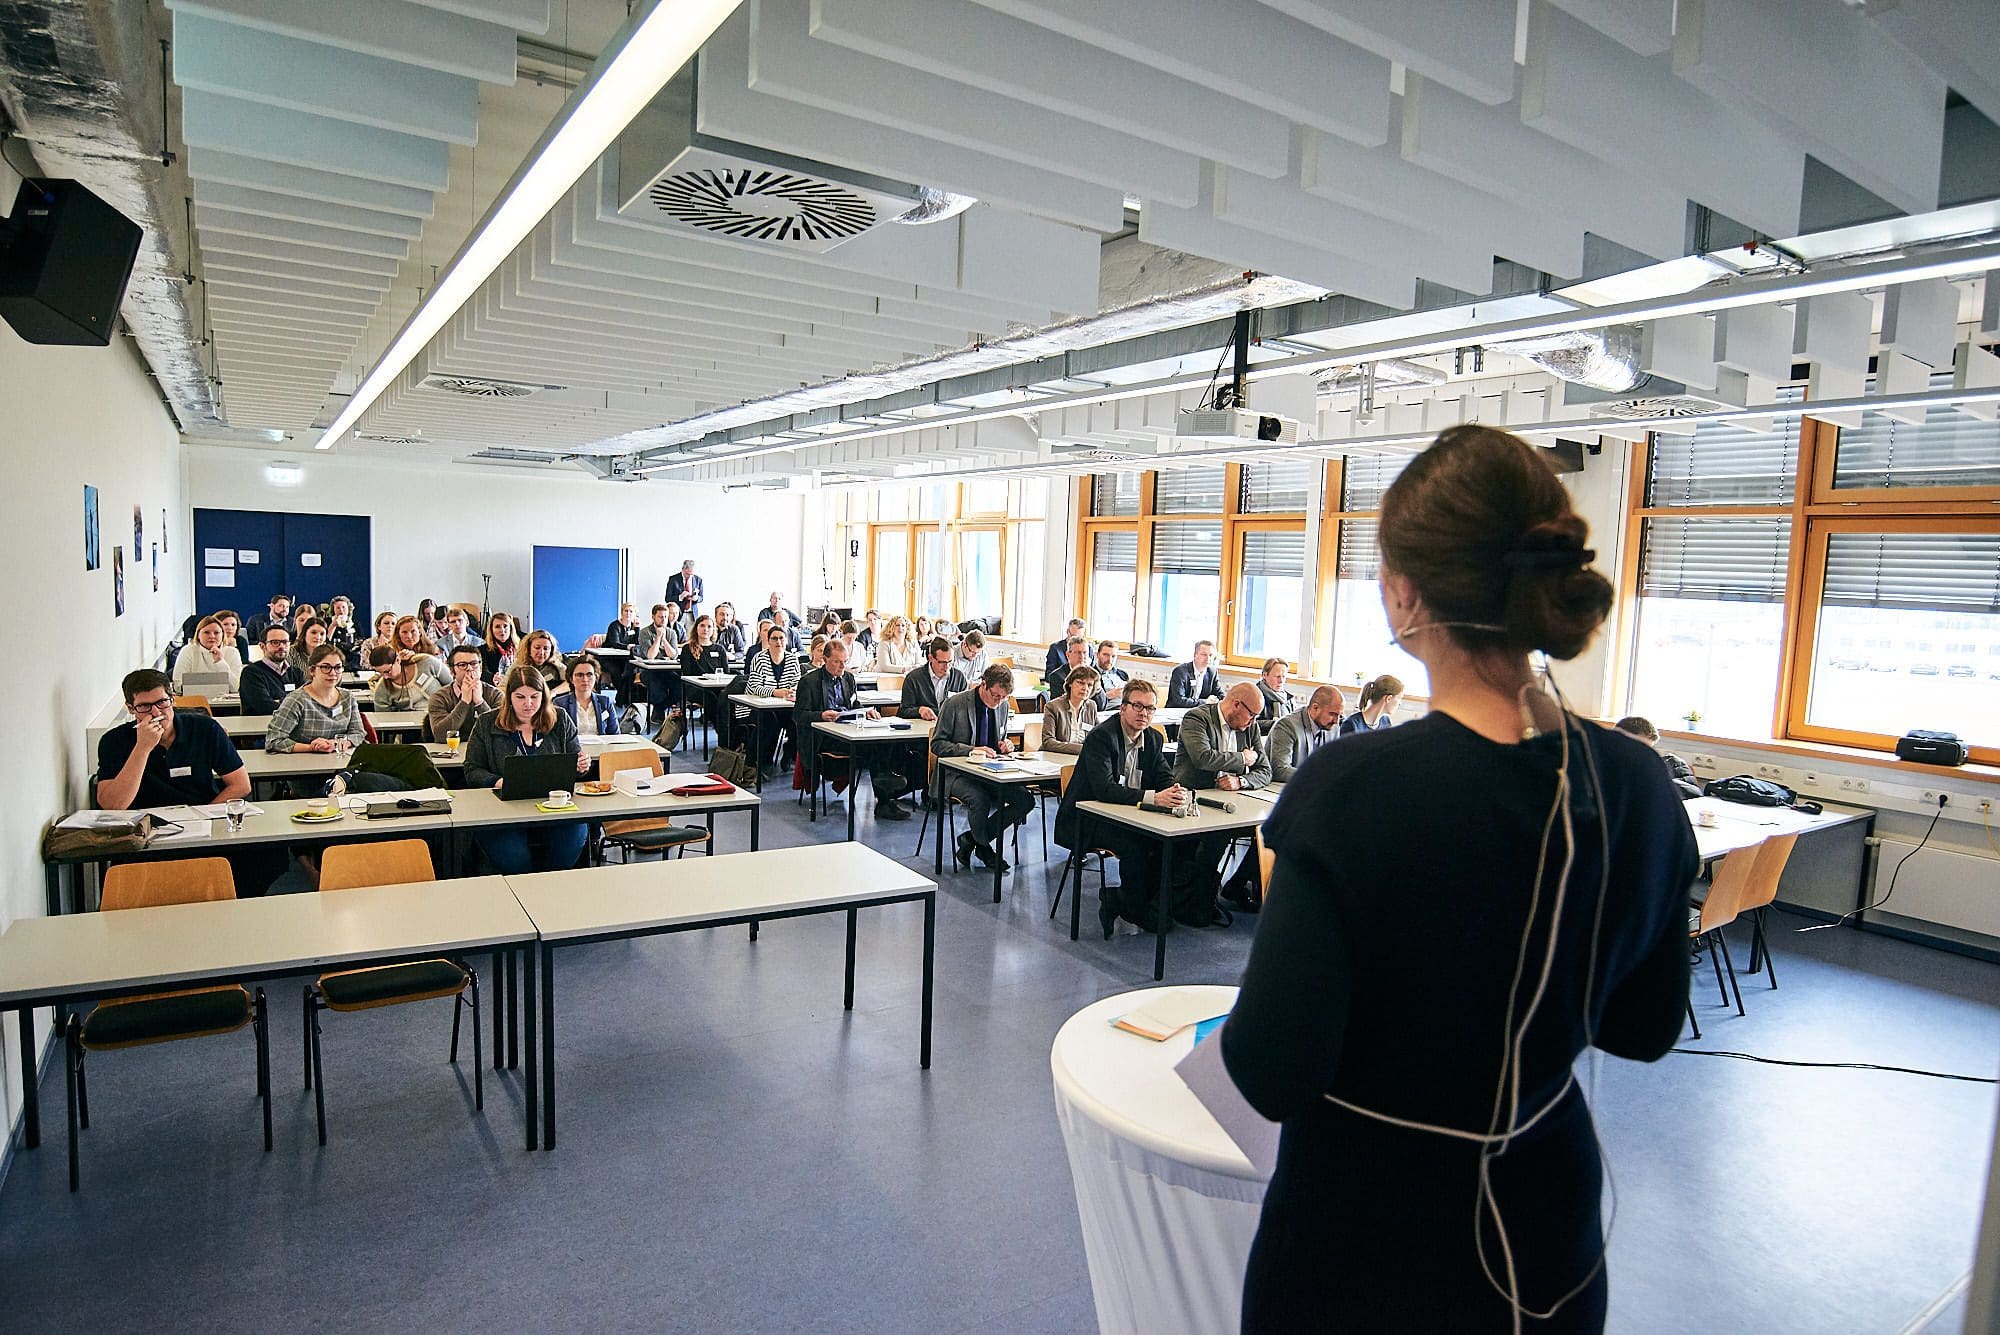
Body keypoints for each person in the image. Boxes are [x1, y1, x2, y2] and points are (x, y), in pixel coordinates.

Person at [1219, 423, 1695, 1333]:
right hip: (1545, 1239)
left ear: (1403, 595)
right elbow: (1644, 1025)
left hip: (1366, 1244)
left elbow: (1271, 1070)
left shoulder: (1352, 789)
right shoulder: (1633, 782)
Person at [1053, 679, 1189, 936]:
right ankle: (1134, 907)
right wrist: (1153, 798)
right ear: (1123, 708)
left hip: (1130, 814)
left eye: (1150, 708)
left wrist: (1173, 790)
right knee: (1135, 844)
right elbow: (1104, 789)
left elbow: (1163, 775)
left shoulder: (1153, 738)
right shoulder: (1102, 737)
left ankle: (1129, 899)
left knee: (1170, 842)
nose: (1144, 713)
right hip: (1088, 819)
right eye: (1137, 706)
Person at [463, 666, 590, 874]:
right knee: (515, 857)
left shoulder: (560, 719)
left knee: (572, 838)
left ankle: (550, 883)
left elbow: (576, 763)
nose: (528, 704)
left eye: (534, 697)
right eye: (520, 697)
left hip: (554, 807)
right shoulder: (487, 723)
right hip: (504, 811)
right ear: (509, 697)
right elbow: (472, 770)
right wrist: (499, 781)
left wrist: (581, 765)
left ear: (543, 696)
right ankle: (525, 886)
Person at [1170, 682, 1272, 924]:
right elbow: (1202, 758)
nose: (1254, 721)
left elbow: (1265, 770)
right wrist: (1242, 759)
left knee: (1269, 831)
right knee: (1215, 839)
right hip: (1194, 800)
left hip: (1232, 802)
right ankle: (1195, 899)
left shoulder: (1249, 727)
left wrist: (1241, 781)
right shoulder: (1197, 718)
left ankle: (1232, 886)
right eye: (1252, 714)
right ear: (1236, 704)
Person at [796, 637, 915, 821]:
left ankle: (885, 785)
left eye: (844, 661)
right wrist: (820, 715)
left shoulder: (848, 678)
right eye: (837, 662)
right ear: (825, 660)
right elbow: (799, 715)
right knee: (871, 747)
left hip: (849, 728)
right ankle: (884, 790)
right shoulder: (809, 682)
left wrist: (866, 711)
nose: (842, 666)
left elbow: (853, 704)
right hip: (824, 738)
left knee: (884, 740)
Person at [97, 668, 251, 810]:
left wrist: (205, 815)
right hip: (144, 822)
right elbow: (112, 806)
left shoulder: (205, 728)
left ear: (173, 699)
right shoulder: (113, 741)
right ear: (131, 708)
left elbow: (241, 785)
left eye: (162, 702)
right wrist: (142, 748)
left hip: (201, 816)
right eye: (144, 706)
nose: (156, 713)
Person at [931, 664, 1031, 866]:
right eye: (996, 696)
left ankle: (972, 839)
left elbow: (999, 738)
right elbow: (938, 744)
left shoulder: (1002, 706)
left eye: (1004, 698)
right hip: (956, 773)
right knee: (980, 798)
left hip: (990, 771)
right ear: (983, 685)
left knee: (1025, 800)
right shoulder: (955, 704)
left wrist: (1006, 745)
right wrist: (971, 750)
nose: (999, 701)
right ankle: (984, 848)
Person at [265, 643, 366, 754]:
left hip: (339, 759)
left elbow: (358, 733)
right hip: (303, 761)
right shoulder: (296, 700)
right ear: (312, 671)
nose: (333, 673)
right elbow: (274, 740)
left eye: (338, 667)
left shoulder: (348, 697)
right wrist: (311, 747)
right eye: (326, 667)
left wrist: (336, 743)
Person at [740, 620, 801, 775]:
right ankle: (761, 762)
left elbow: (797, 683)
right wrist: (775, 692)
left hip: (784, 707)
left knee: (799, 720)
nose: (778, 642)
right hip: (756, 707)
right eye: (774, 638)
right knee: (769, 721)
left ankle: (789, 755)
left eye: (781, 638)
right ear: (768, 640)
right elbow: (754, 687)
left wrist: (793, 691)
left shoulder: (793, 659)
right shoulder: (759, 658)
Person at [1269, 686, 1345, 783]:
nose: (1336, 721)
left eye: (1340, 715)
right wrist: (1318, 777)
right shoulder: (1287, 726)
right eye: (1332, 714)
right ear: (1315, 708)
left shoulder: (1333, 726)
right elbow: (1280, 770)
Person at [428, 643, 502, 743]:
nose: (469, 668)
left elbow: (500, 733)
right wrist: (464, 702)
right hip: (452, 750)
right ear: (452, 671)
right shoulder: (439, 697)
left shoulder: (496, 695)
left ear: (480, 668)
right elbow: (440, 736)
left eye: (474, 664)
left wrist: (480, 702)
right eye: (462, 665)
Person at [1615, 716, 1703, 799]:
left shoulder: (1670, 764)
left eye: (1648, 750)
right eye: (1638, 749)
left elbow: (1693, 795)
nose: (1643, 755)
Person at [238, 623, 304, 715]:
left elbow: (306, 702)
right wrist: (292, 703)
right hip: (261, 723)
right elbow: (265, 706)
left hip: (293, 722)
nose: (281, 646)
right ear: (262, 646)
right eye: (275, 642)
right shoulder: (251, 673)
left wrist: (279, 701)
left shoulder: (296, 673)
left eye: (285, 642)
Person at [897, 637, 964, 721]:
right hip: (922, 726)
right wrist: (919, 711)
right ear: (930, 658)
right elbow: (903, 712)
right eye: (942, 662)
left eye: (950, 661)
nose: (947, 666)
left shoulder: (959, 678)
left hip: (950, 725)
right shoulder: (913, 678)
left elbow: (966, 708)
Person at [554, 654, 619, 740]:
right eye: (580, 675)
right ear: (571, 679)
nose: (585, 679)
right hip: (573, 747)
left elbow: (615, 734)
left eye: (589, 675)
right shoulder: (560, 704)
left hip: (601, 747)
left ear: (596, 677)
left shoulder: (605, 702)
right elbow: (556, 737)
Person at [171, 615, 243, 691]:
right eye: (206, 632)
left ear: (222, 635)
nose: (212, 636)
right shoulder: (188, 650)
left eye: (216, 633)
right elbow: (178, 685)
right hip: (194, 697)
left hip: (224, 698)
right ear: (198, 635)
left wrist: (220, 662)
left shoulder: (233, 652)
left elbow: (235, 687)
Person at [1042, 665, 1101, 755]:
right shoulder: (1053, 707)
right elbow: (1048, 742)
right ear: (1070, 684)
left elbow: (1099, 736)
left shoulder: (1091, 706)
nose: (1085, 688)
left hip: (1082, 757)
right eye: (1080, 683)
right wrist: (1082, 749)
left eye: (1089, 685)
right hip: (1057, 756)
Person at [367, 645, 433, 710]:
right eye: (380, 673)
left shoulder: (426, 662)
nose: (385, 677)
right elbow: (382, 715)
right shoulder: (382, 690)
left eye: (387, 671)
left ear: (398, 660)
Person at [393, 615, 448, 686]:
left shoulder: (433, 649)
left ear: (419, 632)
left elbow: (445, 676)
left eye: (413, 631)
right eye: (404, 632)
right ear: (398, 634)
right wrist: (398, 661)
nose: (409, 636)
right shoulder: (393, 652)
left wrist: (416, 658)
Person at [1167, 639, 1225, 707]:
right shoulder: (1180, 672)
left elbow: (1220, 696)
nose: (1208, 658)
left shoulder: (1212, 672)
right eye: (1204, 654)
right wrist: (1205, 702)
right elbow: (1178, 701)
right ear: (1195, 655)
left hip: (1199, 711)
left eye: (1211, 655)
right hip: (1176, 710)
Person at [1255, 658, 1296, 734]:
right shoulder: (1255, 696)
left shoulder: (1289, 699)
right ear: (1264, 675)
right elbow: (1250, 724)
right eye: (1277, 676)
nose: (1281, 681)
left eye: (1283, 677)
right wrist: (1278, 724)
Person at [1045, 636, 1090, 701]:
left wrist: (1097, 687)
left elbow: (1102, 704)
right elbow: (1061, 704)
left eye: (1085, 652)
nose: (1082, 656)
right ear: (1068, 655)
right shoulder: (1057, 676)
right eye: (1078, 653)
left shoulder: (1092, 674)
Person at [481, 611, 519, 686]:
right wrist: (492, 678)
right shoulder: (483, 650)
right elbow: (482, 671)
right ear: (491, 630)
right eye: (497, 627)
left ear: (511, 628)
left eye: (505, 626)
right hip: (495, 686)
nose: (502, 630)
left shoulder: (520, 647)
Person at [666, 559, 703, 627]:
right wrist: (680, 597)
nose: (689, 576)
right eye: (687, 574)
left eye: (691, 574)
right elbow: (667, 599)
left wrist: (696, 598)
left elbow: (701, 597)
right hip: (678, 614)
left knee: (691, 633)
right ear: (683, 570)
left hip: (692, 615)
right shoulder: (673, 579)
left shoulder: (698, 580)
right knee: (677, 632)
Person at [327, 595, 360, 662]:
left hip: (351, 656)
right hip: (332, 654)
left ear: (348, 608)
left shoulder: (354, 623)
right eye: (338, 608)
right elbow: (325, 640)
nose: (341, 610)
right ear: (333, 610)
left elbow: (360, 639)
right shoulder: (327, 622)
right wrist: (333, 625)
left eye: (343, 607)